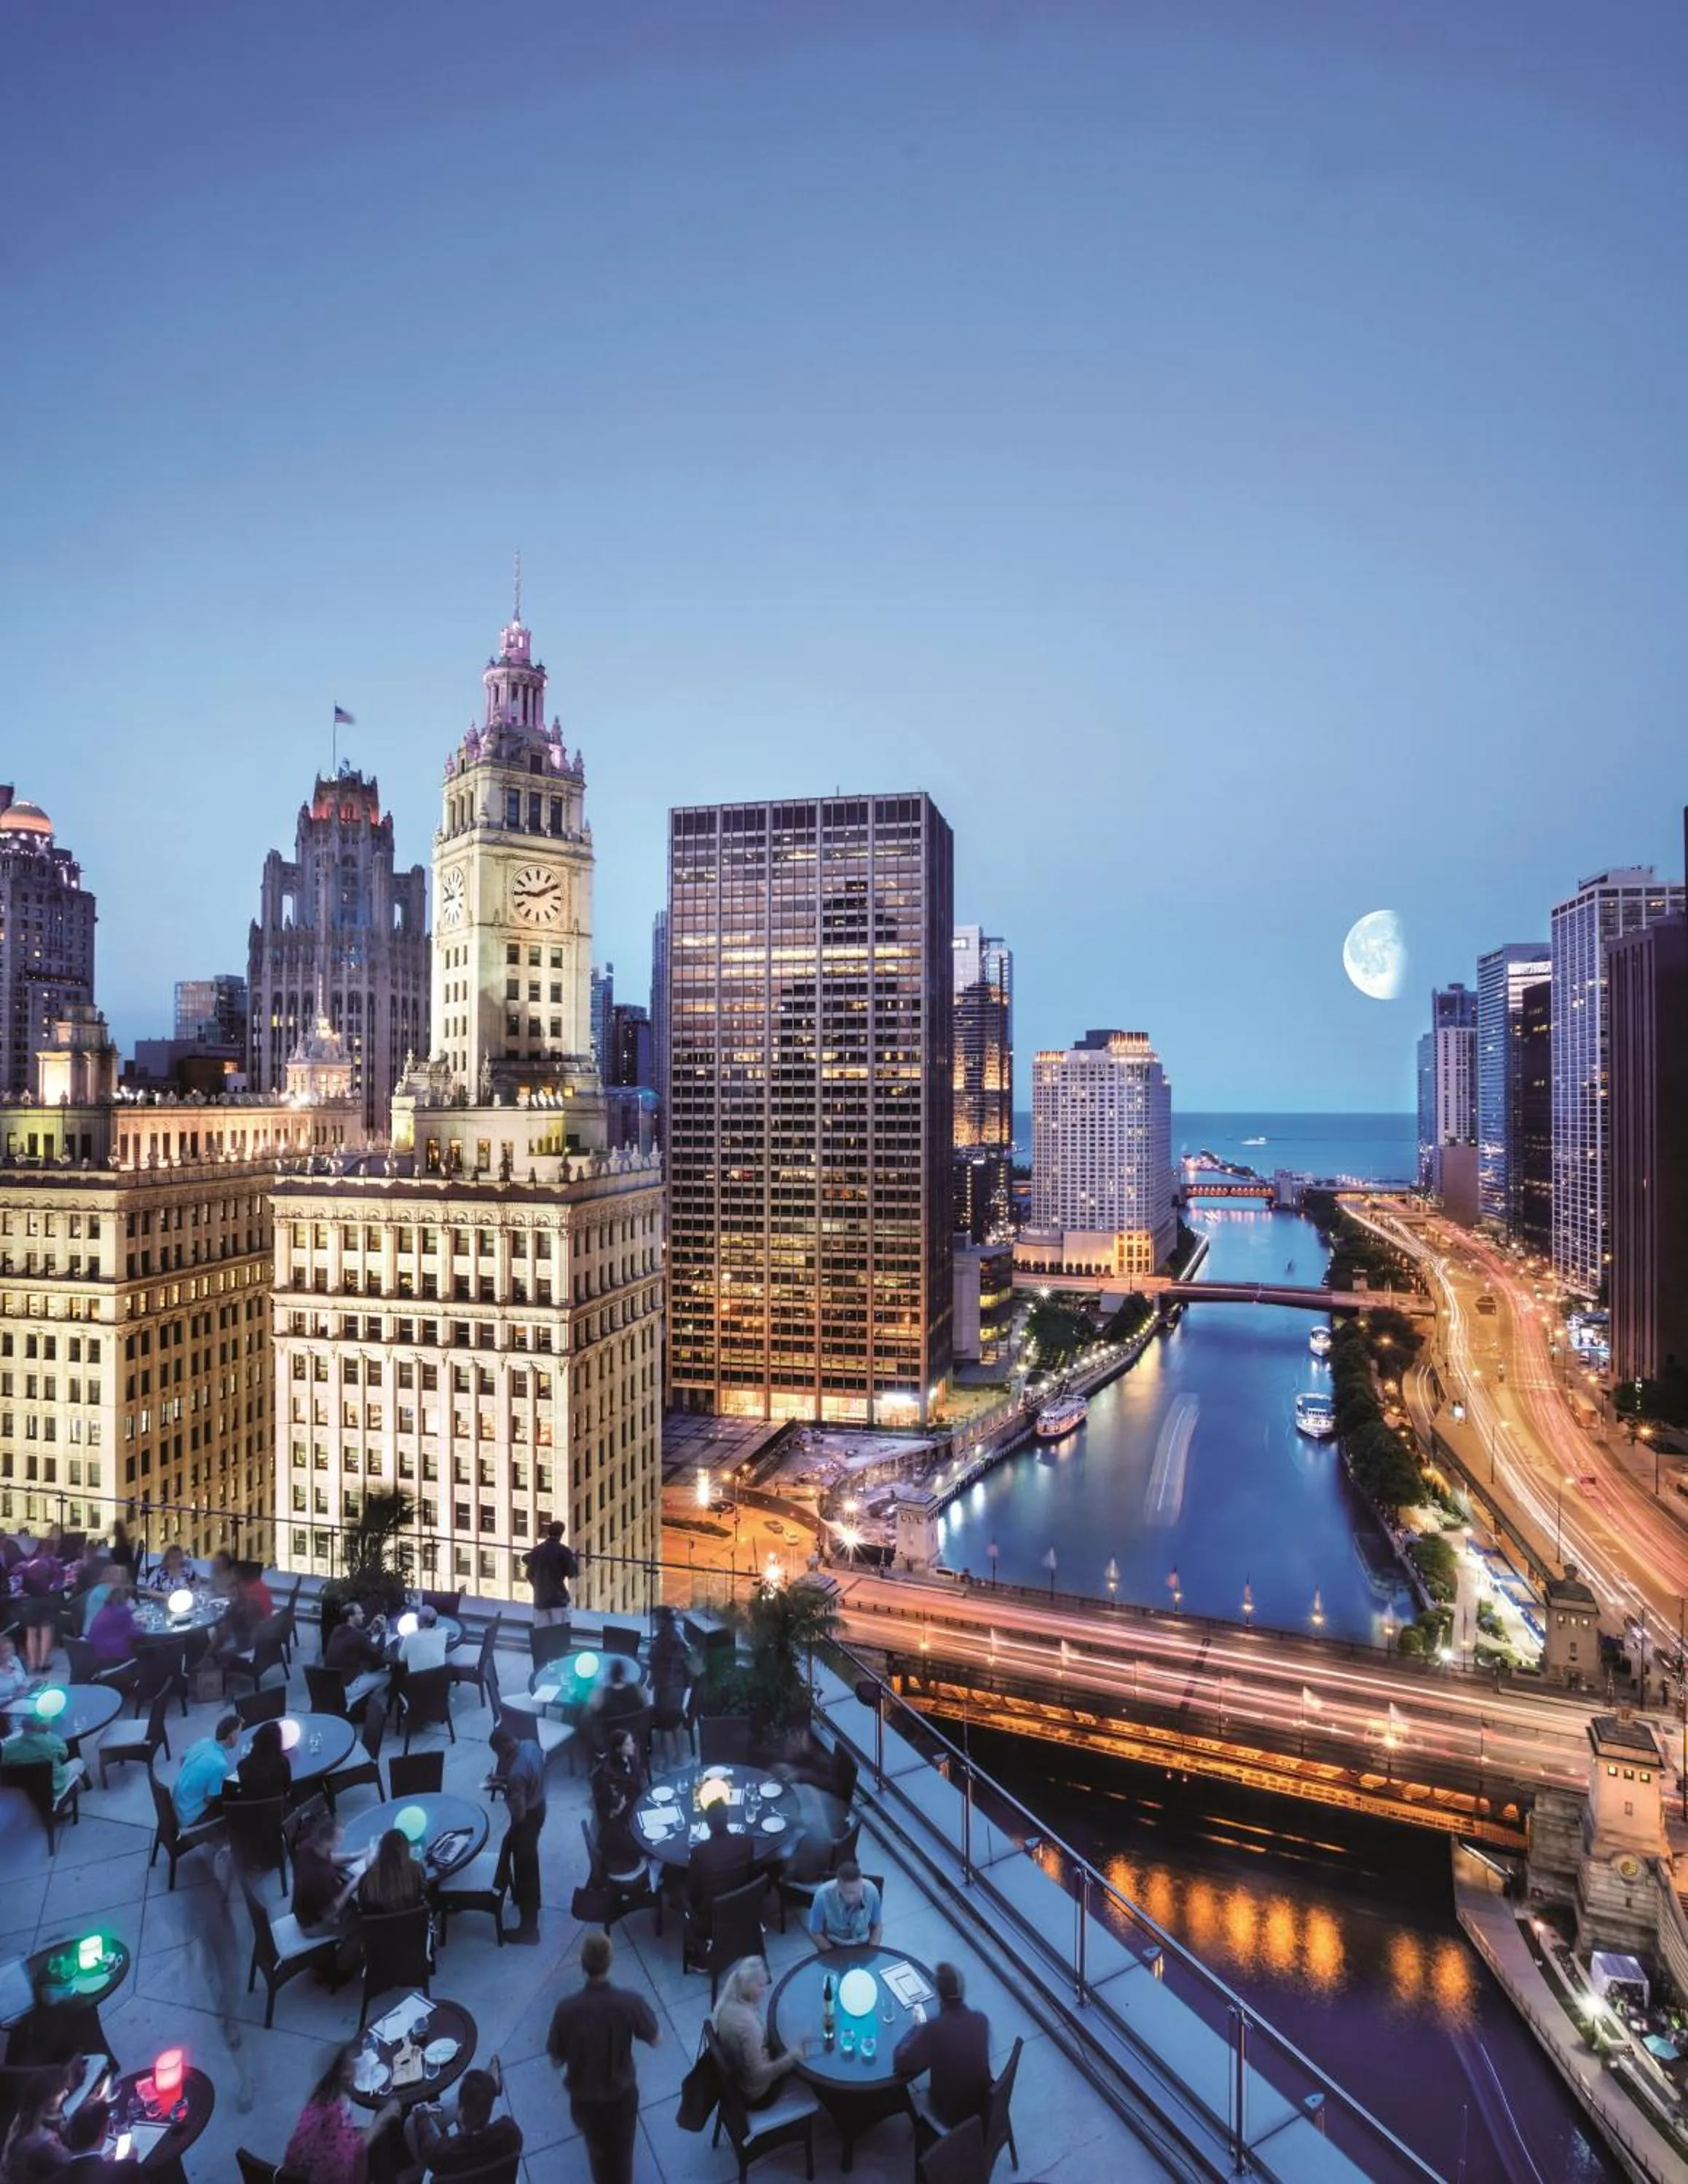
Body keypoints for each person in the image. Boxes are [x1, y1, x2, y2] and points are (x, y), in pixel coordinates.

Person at [545, 1931, 660, 2184]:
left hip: (586, 2103)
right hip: (622, 2099)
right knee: (622, 2158)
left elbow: (556, 2060)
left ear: (582, 1963)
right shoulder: (629, 2002)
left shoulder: (566, 2010)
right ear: (610, 1961)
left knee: (598, 2156)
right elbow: (655, 2038)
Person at [894, 1961, 992, 2132]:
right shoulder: (981, 2020)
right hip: (983, 2107)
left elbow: (901, 2062)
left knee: (910, 2097)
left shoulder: (934, 2029)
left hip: (952, 2117)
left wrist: (917, 2028)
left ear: (938, 1994)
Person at [282, 2043, 399, 2184]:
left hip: (298, 2173)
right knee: (382, 2139)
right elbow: (352, 2150)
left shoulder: (320, 2096)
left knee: (366, 2132)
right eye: (352, 2064)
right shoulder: (335, 2113)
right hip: (330, 2176)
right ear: (345, 2073)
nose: (357, 2066)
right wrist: (383, 2117)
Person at [711, 1955, 806, 2108]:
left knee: (791, 2035)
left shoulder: (725, 2002)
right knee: (803, 2058)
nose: (764, 1990)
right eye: (760, 1986)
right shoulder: (749, 2026)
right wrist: (791, 2058)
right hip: (759, 2093)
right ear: (748, 1986)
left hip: (740, 2074)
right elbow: (757, 2075)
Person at [406, 2064, 523, 2177]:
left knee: (411, 2122)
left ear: (461, 2113)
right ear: (490, 2110)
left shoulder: (441, 2154)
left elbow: (429, 2146)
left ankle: (475, 2093)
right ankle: (488, 2088)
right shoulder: (510, 2133)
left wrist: (422, 2113)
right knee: (472, 2096)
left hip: (454, 2166)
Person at [489, 1721, 545, 1944]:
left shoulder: (516, 1774)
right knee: (524, 1856)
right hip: (540, 1808)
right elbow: (528, 1777)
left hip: (526, 1820)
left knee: (525, 1872)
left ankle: (528, 1930)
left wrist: (508, 1794)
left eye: (499, 1753)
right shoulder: (531, 1745)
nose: (500, 1758)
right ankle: (534, 1902)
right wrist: (503, 1781)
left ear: (504, 1747)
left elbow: (519, 1814)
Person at [686, 1800, 754, 1934]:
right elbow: (750, 1877)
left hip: (710, 1922)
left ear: (707, 1823)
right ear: (727, 1818)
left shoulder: (699, 1852)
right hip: (742, 1911)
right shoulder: (746, 1842)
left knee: (678, 1886)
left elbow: (694, 1896)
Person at [590, 1728, 647, 1886]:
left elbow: (637, 1788)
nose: (633, 1746)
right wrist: (618, 1809)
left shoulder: (631, 1761)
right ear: (618, 1749)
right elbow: (609, 1812)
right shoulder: (609, 1776)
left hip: (633, 1813)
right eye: (628, 1744)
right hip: (619, 1833)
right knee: (651, 1847)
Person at [292, 1811, 358, 1936]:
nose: (341, 1842)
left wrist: (354, 1856)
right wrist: (353, 1885)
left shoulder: (309, 1846)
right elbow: (330, 1914)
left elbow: (329, 1858)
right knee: (360, 1920)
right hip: (314, 1924)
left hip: (304, 1912)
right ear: (327, 1842)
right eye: (338, 1840)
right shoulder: (321, 1877)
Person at [0, 1709, 82, 1806]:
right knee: (78, 1762)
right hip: (54, 1789)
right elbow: (65, 1755)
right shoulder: (52, 1740)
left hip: (26, 1793)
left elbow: (5, 1767)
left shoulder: (8, 1748)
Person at [173, 1712, 241, 1826]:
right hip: (190, 1816)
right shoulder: (220, 1764)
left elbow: (182, 1758)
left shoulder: (204, 1742)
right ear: (231, 1737)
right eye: (239, 1733)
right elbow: (209, 1799)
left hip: (178, 1804)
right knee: (232, 1797)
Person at [324, 1601, 388, 1709]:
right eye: (360, 1613)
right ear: (350, 1618)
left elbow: (358, 1640)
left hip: (332, 1686)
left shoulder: (337, 1630)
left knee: (367, 1669)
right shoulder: (358, 1636)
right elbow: (378, 1653)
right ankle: (372, 1707)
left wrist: (371, 1628)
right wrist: (383, 1631)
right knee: (387, 1676)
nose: (363, 1615)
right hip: (347, 1688)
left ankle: (364, 1703)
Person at [808, 1859, 882, 1952]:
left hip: (864, 1943)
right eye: (851, 1893)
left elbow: (877, 1925)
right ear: (839, 1888)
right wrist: (833, 1955)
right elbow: (815, 1932)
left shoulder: (871, 1891)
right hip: (835, 1944)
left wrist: (872, 1950)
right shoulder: (822, 1896)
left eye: (860, 1889)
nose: (859, 1895)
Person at [15, 1541, 63, 1674]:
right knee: (46, 1631)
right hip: (48, 1600)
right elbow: (58, 1584)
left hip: (30, 1601)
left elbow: (22, 1584)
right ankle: (43, 1663)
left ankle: (32, 1664)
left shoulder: (29, 1563)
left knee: (31, 1632)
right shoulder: (54, 1563)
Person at [356, 1826, 426, 1915]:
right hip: (415, 1922)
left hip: (379, 1924)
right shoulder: (417, 1870)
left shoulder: (366, 1880)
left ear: (381, 1849)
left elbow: (363, 1908)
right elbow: (424, 1893)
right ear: (406, 1849)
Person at [523, 1521, 578, 1629]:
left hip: (540, 1600)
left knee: (542, 1634)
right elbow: (572, 1573)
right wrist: (574, 1561)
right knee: (559, 1634)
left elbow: (528, 1572)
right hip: (558, 1600)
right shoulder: (564, 1551)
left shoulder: (537, 1550)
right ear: (561, 1534)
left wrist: (538, 1586)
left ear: (548, 1532)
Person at [234, 1717, 291, 1801]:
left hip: (250, 1807)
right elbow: (287, 1789)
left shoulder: (242, 1766)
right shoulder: (283, 1762)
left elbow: (244, 1788)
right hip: (277, 1807)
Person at [85, 1582, 140, 1670]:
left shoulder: (107, 1608)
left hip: (97, 1651)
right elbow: (135, 1634)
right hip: (113, 1656)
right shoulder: (123, 1611)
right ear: (126, 1599)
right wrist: (142, 1626)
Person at [398, 1602, 449, 1672]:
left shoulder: (410, 1638)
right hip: (438, 1678)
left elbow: (402, 1659)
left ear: (418, 1622)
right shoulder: (443, 1634)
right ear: (435, 1622)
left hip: (416, 1679)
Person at [0, 1634, 31, 1707]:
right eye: (7, 1651)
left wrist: (24, 1687)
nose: (11, 1653)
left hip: (22, 1700)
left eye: (12, 1649)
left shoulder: (14, 1660)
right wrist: (12, 1697)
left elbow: (25, 1680)